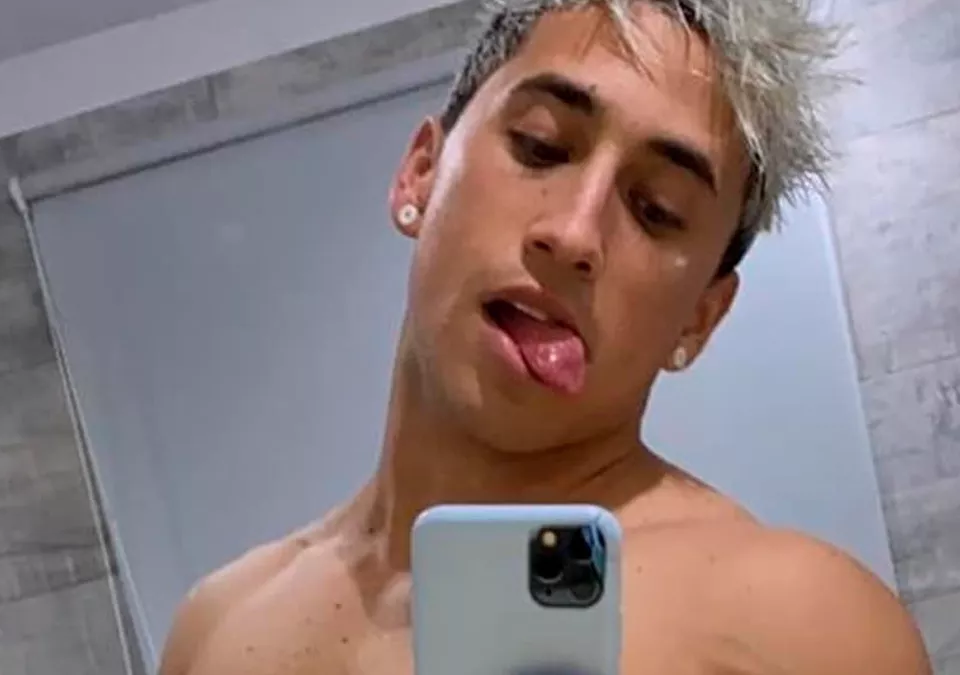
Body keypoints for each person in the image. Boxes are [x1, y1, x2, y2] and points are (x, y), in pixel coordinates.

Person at [157, 1, 932, 673]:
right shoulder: (218, 623)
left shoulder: (802, 627)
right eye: (540, 144)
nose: (574, 233)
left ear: (698, 318)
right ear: (420, 173)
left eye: (657, 209)